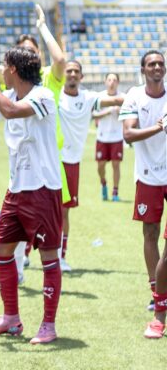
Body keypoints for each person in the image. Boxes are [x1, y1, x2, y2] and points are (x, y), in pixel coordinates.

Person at [0, 49, 63, 345]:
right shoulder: (7, 93)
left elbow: (9, 111)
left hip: (43, 189)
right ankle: (11, 318)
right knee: (2, 251)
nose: (1, 71)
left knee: (48, 256)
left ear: (14, 70)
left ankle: (48, 324)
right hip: (16, 190)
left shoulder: (42, 95)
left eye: (4, 67)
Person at [0, 4, 66, 282]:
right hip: (20, 175)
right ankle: (17, 274)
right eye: (25, 49)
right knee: (9, 241)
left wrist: (43, 26)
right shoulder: (10, 90)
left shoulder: (47, 83)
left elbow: (59, 59)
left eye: (34, 50)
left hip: (48, 166)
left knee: (50, 238)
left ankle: (58, 256)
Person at [57, 61, 123, 272]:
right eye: (69, 71)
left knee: (64, 212)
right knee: (40, 210)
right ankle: (26, 251)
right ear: (63, 74)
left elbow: (116, 99)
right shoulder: (54, 94)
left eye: (77, 71)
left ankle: (60, 256)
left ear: (82, 77)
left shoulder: (88, 98)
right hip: (51, 160)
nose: (73, 74)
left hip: (72, 164)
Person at [118, 51, 167, 333]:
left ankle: (162, 291)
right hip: (148, 175)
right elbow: (128, 134)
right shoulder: (135, 96)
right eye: (152, 64)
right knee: (150, 233)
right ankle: (156, 289)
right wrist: (159, 127)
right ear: (143, 70)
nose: (157, 67)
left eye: (161, 63)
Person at [93, 72, 125, 202]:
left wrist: (119, 112)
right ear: (105, 82)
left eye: (114, 80)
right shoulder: (99, 97)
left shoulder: (123, 98)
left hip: (117, 137)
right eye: (109, 80)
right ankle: (103, 184)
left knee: (116, 165)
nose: (112, 82)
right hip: (102, 137)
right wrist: (107, 111)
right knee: (100, 166)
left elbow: (128, 117)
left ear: (118, 82)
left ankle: (115, 192)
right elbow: (94, 115)